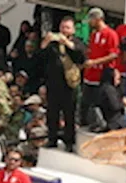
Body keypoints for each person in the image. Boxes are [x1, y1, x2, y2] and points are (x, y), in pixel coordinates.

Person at [42, 17, 85, 150]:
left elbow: (81, 55)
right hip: (53, 84)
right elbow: (40, 57)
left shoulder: (76, 42)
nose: (63, 30)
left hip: (68, 85)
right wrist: (45, 42)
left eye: (67, 27)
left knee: (69, 114)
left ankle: (69, 142)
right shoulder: (53, 44)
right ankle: (52, 139)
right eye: (62, 27)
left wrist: (67, 43)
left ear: (72, 30)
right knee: (52, 114)